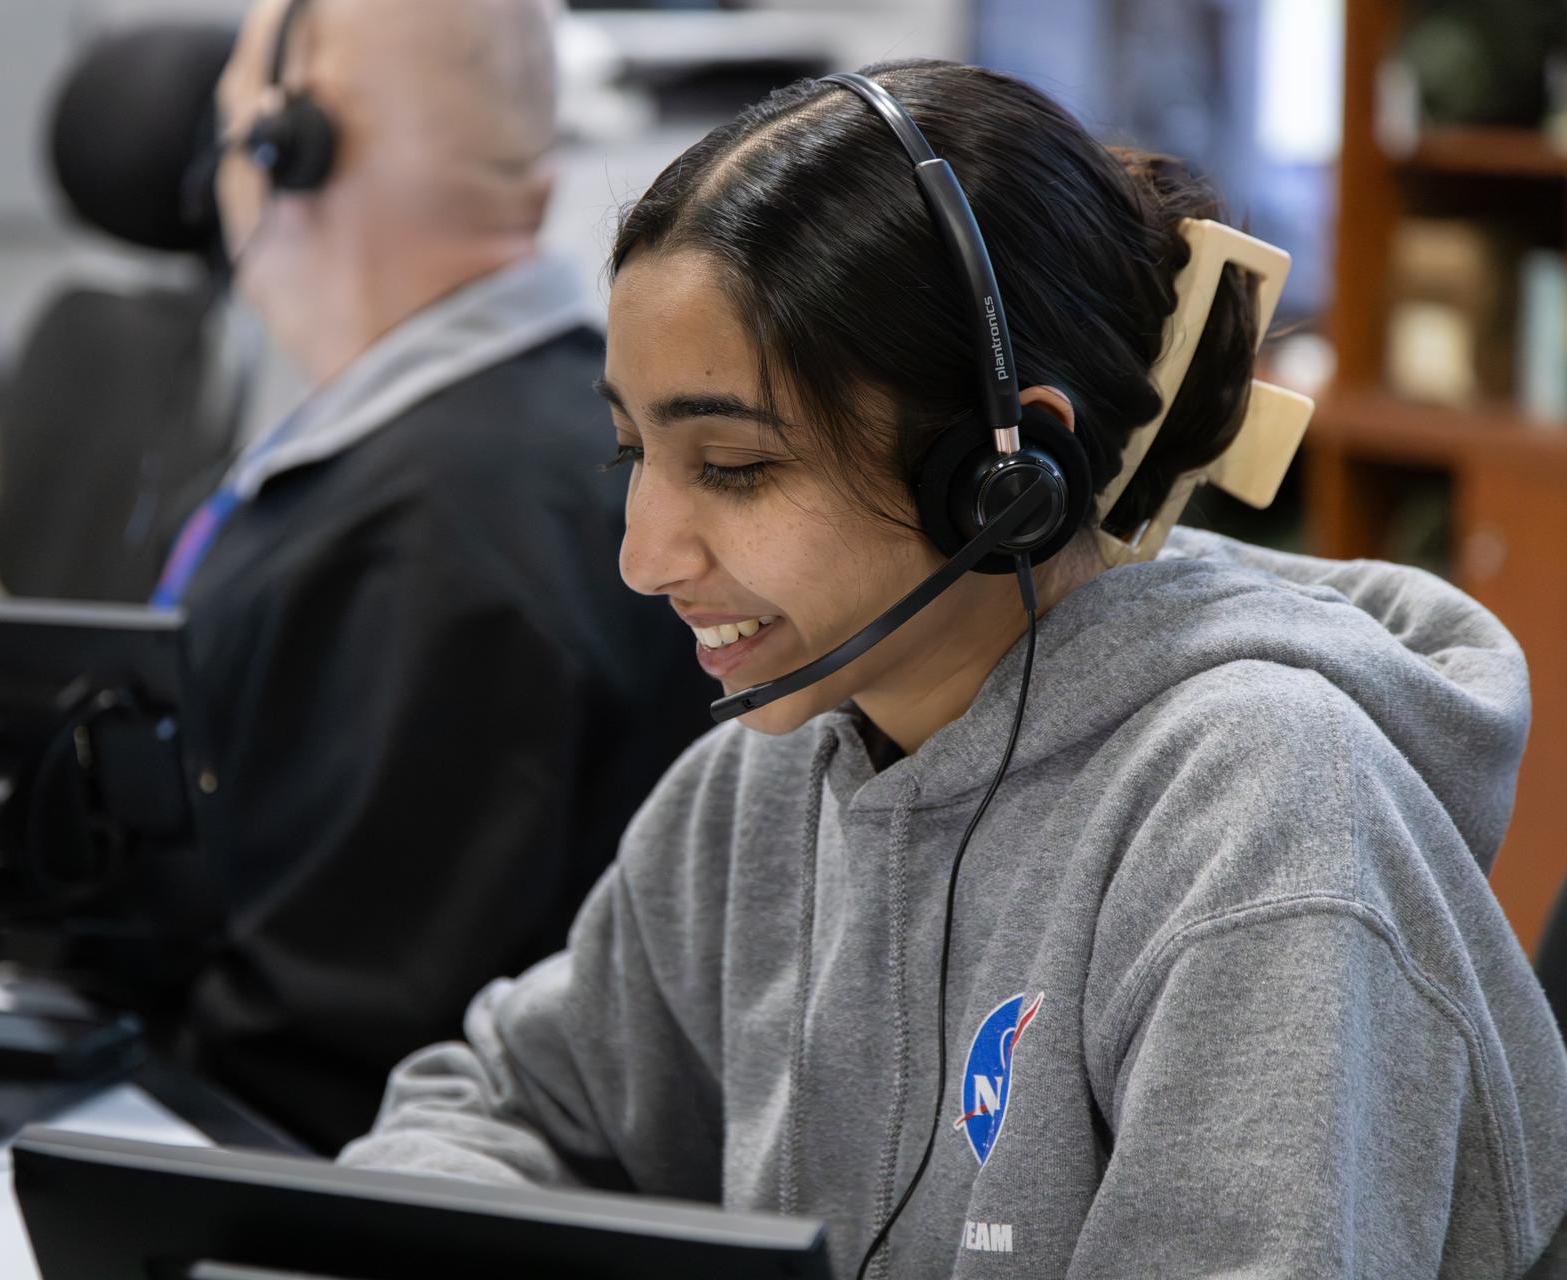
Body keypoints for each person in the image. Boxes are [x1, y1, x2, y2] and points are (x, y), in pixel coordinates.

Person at [339, 61, 1567, 1277]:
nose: (643, 556)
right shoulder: (767, 787)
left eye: (734, 466)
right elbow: (493, 1110)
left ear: (1004, 472)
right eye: (630, 457)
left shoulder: (1262, 814)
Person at [158, 0, 712, 1154]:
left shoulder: (428, 532)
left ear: (285, 145)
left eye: (229, 127)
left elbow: (319, 1056)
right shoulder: (539, 442)